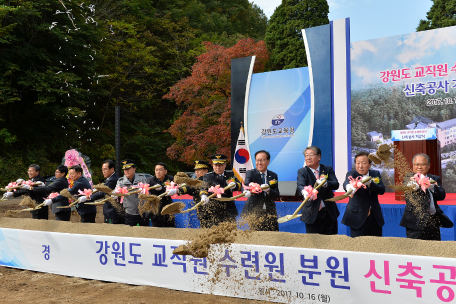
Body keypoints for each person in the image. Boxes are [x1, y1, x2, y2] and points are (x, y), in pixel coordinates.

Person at [400, 153, 451, 241]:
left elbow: (441, 195)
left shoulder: (434, 179)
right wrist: (416, 184)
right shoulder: (409, 178)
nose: (419, 167)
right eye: (416, 164)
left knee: (434, 249)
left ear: (428, 165)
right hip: (414, 222)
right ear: (413, 165)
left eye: (423, 164)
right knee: (416, 251)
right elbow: (409, 190)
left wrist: (431, 186)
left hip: (432, 221)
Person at [297, 146, 339, 235]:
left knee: (331, 242)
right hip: (311, 214)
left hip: (329, 213)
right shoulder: (302, 171)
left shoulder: (327, 169)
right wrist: (304, 192)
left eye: (311, 155)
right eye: (306, 155)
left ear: (319, 157)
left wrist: (325, 184)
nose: (308, 158)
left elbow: (335, 184)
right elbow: (300, 185)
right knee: (314, 244)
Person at [342, 151, 385, 237]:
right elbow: (346, 183)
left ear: (370, 164)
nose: (360, 166)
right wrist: (348, 187)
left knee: (376, 244)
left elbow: (381, 190)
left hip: (374, 216)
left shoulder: (375, 174)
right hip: (357, 216)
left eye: (364, 163)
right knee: (358, 246)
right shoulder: (352, 174)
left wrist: (370, 184)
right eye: (358, 163)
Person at [199, 154, 242, 228]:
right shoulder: (208, 176)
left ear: (225, 165)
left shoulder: (230, 175)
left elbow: (240, 186)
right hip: (214, 210)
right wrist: (203, 196)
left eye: (220, 165)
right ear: (212, 165)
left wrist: (235, 185)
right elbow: (204, 188)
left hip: (229, 210)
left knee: (231, 233)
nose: (218, 167)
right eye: (216, 165)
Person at [240, 150, 280, 231]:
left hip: (270, 212)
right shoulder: (250, 173)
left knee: (273, 235)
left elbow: (276, 194)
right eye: (258, 160)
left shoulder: (273, 175)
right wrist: (246, 191)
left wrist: (269, 190)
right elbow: (246, 185)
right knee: (257, 237)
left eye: (262, 160)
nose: (259, 163)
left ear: (268, 161)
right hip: (254, 211)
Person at [88, 159, 122, 224]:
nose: (103, 171)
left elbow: (103, 192)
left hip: (113, 212)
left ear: (112, 169)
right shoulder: (109, 178)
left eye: (105, 169)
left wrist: (89, 197)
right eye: (102, 170)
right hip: (110, 211)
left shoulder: (113, 179)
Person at [116, 159, 148, 226]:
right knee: (130, 234)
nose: (126, 171)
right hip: (129, 213)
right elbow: (116, 190)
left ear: (134, 169)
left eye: (128, 169)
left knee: (144, 233)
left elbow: (147, 190)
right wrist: (115, 194)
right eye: (125, 170)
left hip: (142, 212)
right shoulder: (121, 181)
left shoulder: (142, 178)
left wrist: (143, 191)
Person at [146, 162, 175, 227]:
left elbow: (176, 188)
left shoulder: (170, 179)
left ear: (165, 171)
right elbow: (145, 191)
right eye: (156, 170)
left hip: (167, 208)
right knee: (157, 231)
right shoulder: (150, 180)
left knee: (171, 229)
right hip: (156, 209)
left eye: (160, 170)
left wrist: (163, 189)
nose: (158, 172)